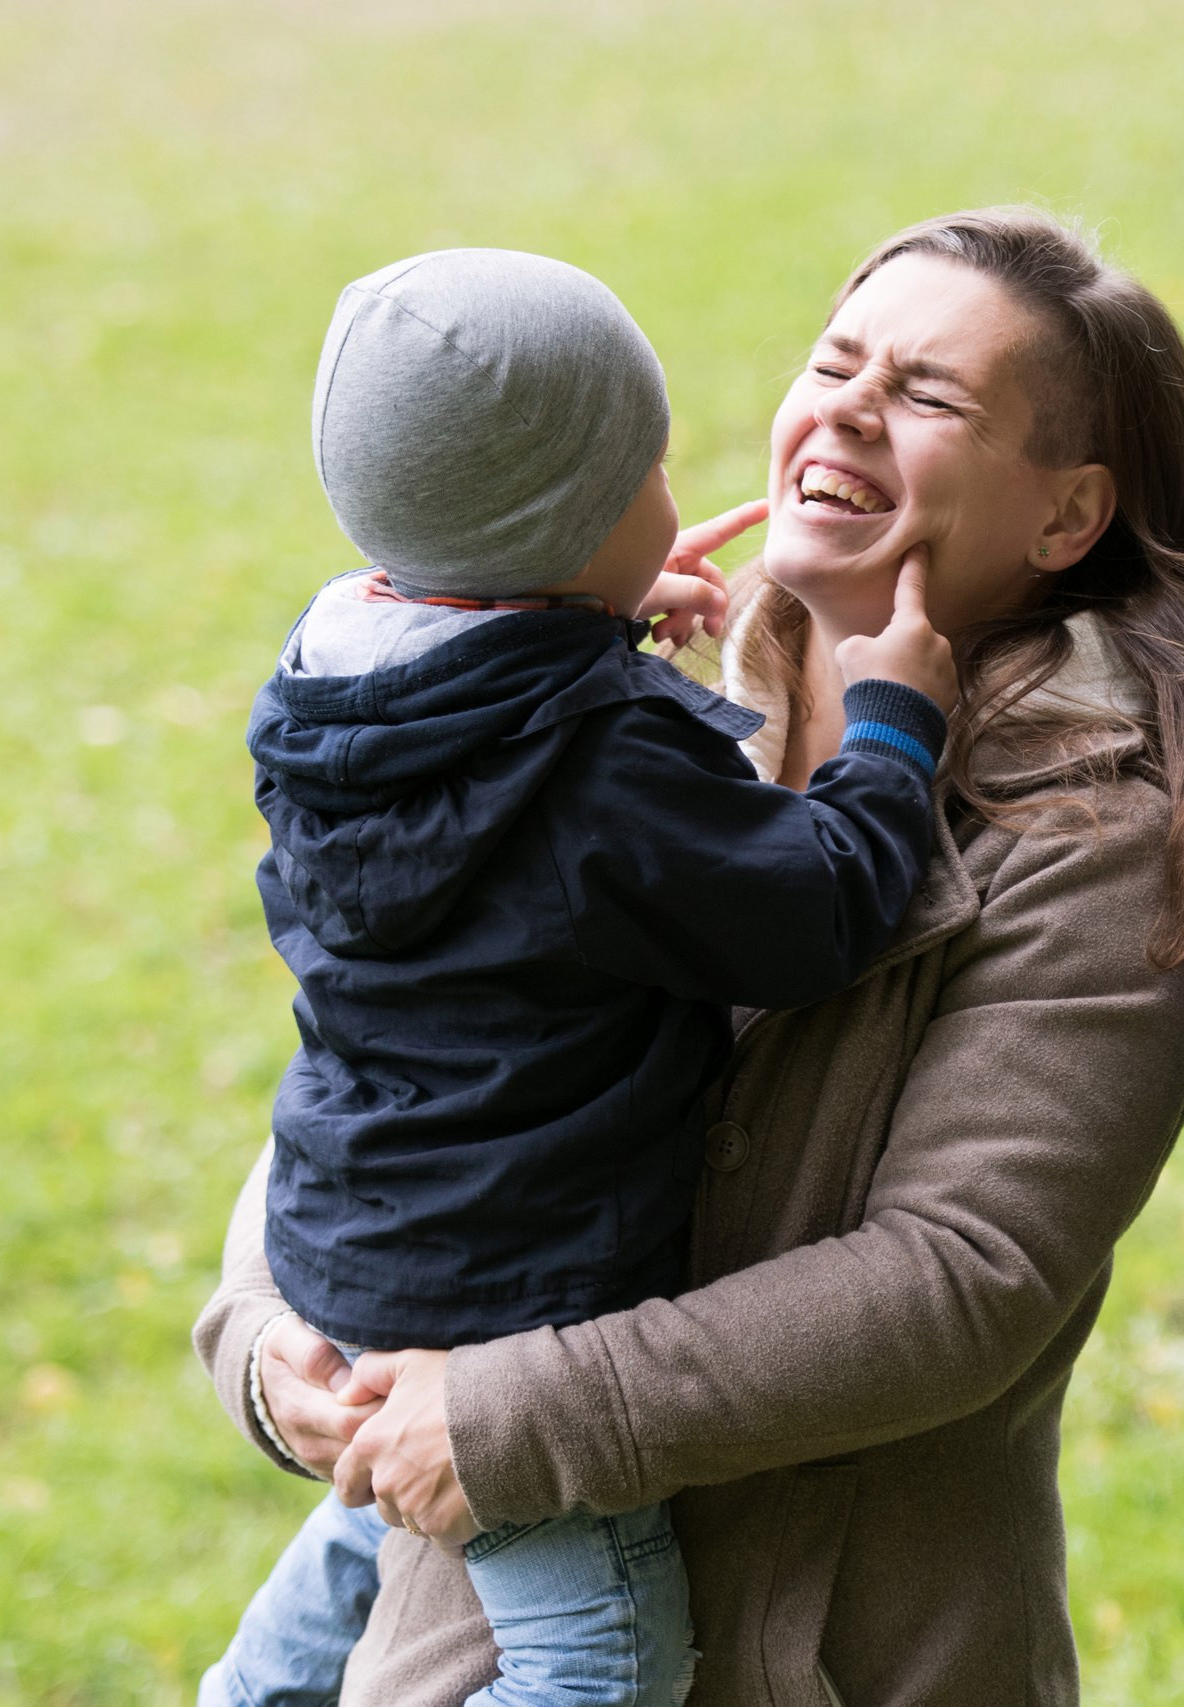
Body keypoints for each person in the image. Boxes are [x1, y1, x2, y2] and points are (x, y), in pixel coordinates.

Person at [195, 208, 1184, 1707]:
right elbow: (393, 1061)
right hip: (460, 1628)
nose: (850, 405)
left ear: (1065, 516)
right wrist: (268, 1346)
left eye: (927, 392)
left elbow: (961, 1279)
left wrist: (508, 1416)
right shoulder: (609, 710)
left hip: (834, 1657)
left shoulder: (1094, 830)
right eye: (834, 363)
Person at [202, 247, 959, 1707]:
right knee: (596, 1658)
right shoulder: (597, 769)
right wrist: (891, 732)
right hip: (509, 1296)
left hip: (362, 1242)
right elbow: (816, 910)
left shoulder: (330, 688)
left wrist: (583, 620)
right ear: (577, 520)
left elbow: (490, 752)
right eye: (648, 472)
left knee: (377, 1531)